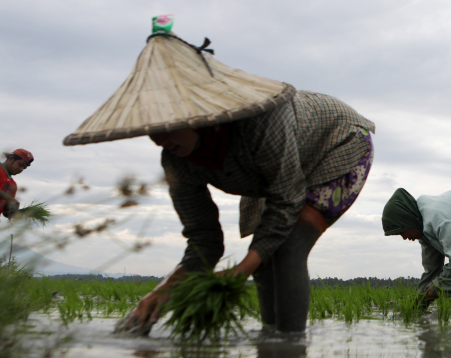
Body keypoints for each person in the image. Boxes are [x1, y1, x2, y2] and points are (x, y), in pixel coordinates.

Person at [63, 22, 374, 334]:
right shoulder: (176, 161)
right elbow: (204, 240)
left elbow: (286, 200)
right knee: (264, 257)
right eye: (151, 129)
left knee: (289, 245)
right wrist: (163, 291)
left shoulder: (262, 124)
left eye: (168, 125)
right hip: (269, 174)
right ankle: (270, 341)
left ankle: (290, 348)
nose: (159, 139)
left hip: (336, 143)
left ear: (199, 115)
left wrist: (238, 272)